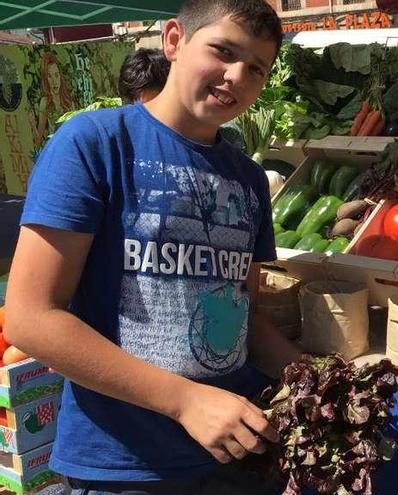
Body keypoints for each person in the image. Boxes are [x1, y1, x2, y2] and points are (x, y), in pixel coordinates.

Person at [4, 1, 299, 493]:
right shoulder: (94, 143)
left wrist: (306, 376)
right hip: (126, 465)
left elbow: (245, 314)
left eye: (255, 68)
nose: (235, 77)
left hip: (236, 456)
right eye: (222, 52)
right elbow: (30, 318)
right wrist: (187, 401)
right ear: (174, 41)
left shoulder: (247, 177)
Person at [34, 50, 74, 149]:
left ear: (60, 77)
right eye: (50, 76)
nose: (54, 81)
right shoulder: (45, 102)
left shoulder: (68, 102)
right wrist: (32, 124)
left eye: (56, 75)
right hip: (55, 150)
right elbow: (39, 139)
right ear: (46, 79)